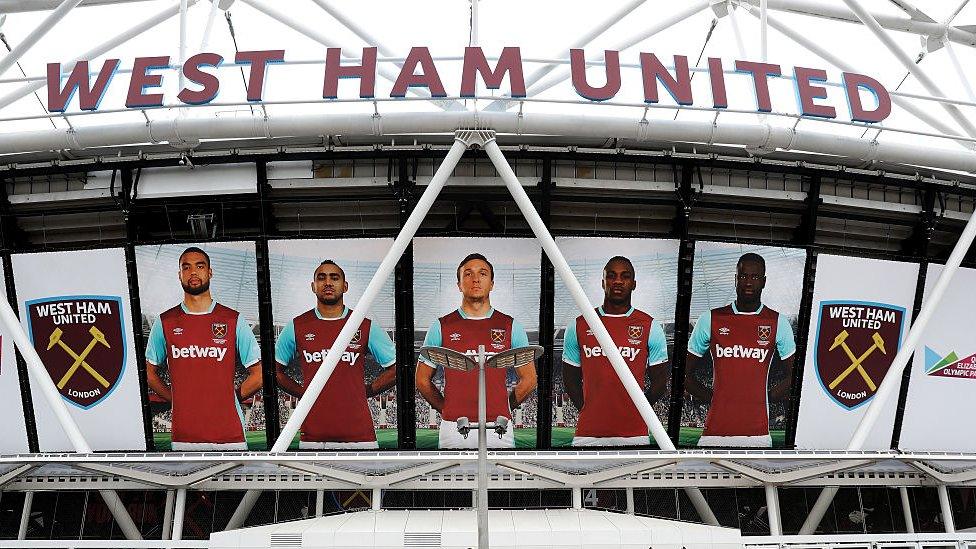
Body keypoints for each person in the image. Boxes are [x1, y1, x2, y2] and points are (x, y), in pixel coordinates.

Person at [145, 247, 263, 451]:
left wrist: (230, 397)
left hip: (230, 436)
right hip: (184, 436)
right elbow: (149, 373)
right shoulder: (164, 322)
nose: (193, 272)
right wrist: (176, 399)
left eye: (200, 266)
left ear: (210, 272)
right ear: (179, 274)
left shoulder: (233, 319)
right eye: (186, 267)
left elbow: (260, 374)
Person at [415, 253, 537, 449]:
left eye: (483, 273)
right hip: (453, 427)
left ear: (492, 283)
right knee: (450, 480)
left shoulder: (511, 326)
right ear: (459, 284)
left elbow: (530, 379)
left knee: (505, 480)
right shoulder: (440, 326)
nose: (476, 279)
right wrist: (446, 409)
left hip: (499, 427)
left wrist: (504, 407)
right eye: (468, 274)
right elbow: (421, 379)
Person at [274, 260, 397, 449]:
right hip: (313, 436)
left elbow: (397, 369)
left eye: (335, 277)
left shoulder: (364, 325)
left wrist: (365, 391)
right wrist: (303, 394)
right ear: (313, 286)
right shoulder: (296, 326)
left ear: (345, 286)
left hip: (360, 436)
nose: (328, 283)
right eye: (321, 278)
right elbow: (274, 371)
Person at [685, 252, 796, 447]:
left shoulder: (778, 322)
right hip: (713, 435)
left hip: (758, 437)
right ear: (736, 279)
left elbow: (796, 376)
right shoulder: (709, 319)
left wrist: (767, 398)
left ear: (764, 281)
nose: (748, 282)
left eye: (755, 277)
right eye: (743, 276)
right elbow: (684, 374)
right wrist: (712, 398)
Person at [561, 256, 669, 446]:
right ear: (603, 282)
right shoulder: (578, 325)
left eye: (624, 276)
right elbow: (570, 381)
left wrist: (637, 410)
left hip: (635, 434)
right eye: (611, 276)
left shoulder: (650, 326)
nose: (618, 281)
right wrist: (589, 410)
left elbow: (660, 384)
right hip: (587, 435)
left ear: (634, 284)